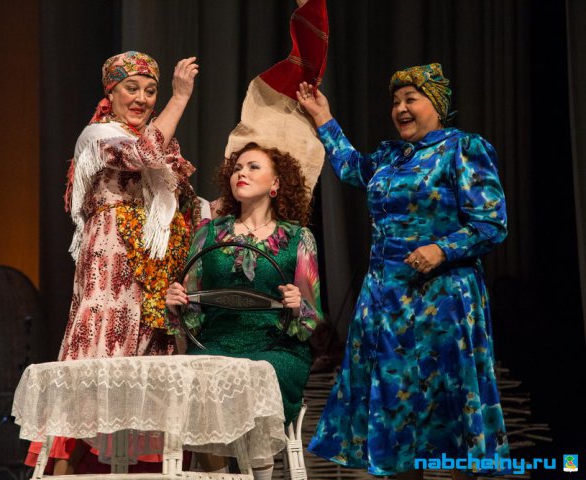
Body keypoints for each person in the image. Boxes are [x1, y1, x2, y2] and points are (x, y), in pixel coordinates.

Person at [296, 64, 510, 479]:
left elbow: (491, 223)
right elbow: (351, 167)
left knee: (447, 410)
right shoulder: (390, 157)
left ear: (438, 106)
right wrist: (323, 116)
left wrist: (441, 249)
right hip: (386, 302)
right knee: (395, 410)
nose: (400, 108)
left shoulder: (462, 149)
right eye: (395, 101)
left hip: (442, 302)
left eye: (411, 99)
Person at [26, 51, 200, 474]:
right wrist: (179, 98)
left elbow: (183, 195)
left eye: (151, 91)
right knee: (97, 359)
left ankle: (139, 469)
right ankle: (61, 470)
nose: (142, 98)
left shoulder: (162, 140)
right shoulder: (99, 134)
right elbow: (143, 155)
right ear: (111, 91)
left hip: (151, 267)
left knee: (145, 358)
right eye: (131, 88)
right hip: (111, 258)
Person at [166, 142, 324, 480]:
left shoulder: (298, 238)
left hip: (275, 348)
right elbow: (190, 309)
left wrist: (298, 304)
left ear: (275, 183)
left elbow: (310, 319)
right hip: (215, 344)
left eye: (253, 167)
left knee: (256, 375)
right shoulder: (208, 232)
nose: (242, 173)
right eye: (237, 168)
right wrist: (178, 301)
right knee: (197, 377)